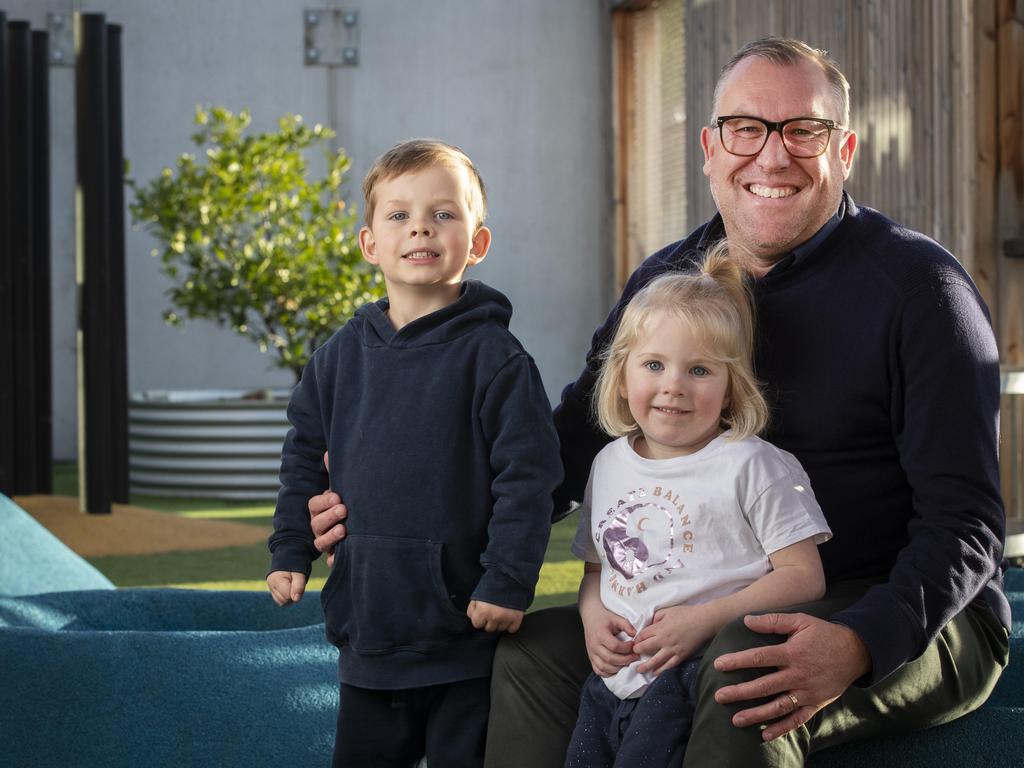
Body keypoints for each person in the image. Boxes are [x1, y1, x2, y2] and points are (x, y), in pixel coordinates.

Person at [307, 38, 1011, 766]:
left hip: (910, 610)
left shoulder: (922, 291)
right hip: (694, 595)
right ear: (709, 147)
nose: (773, 157)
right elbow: (568, 446)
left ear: (846, 150)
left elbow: (965, 524)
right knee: (527, 654)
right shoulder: (669, 280)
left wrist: (862, 640)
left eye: (805, 130)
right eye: (746, 129)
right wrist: (385, 501)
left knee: (745, 661)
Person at [267, 138, 561, 768]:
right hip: (369, 631)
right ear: (370, 243)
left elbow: (528, 479)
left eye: (444, 213)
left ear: (477, 243)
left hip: (465, 634)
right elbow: (302, 456)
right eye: (398, 214)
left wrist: (508, 580)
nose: (421, 226)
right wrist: (291, 546)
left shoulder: (498, 361)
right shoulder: (338, 358)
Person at [564, 247, 832, 768]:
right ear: (622, 377)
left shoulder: (750, 464)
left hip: (692, 673)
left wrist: (704, 621)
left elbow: (805, 577)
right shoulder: (609, 463)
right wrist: (593, 615)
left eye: (701, 370)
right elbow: (596, 570)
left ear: (732, 388)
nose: (674, 386)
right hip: (614, 679)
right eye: (655, 364)